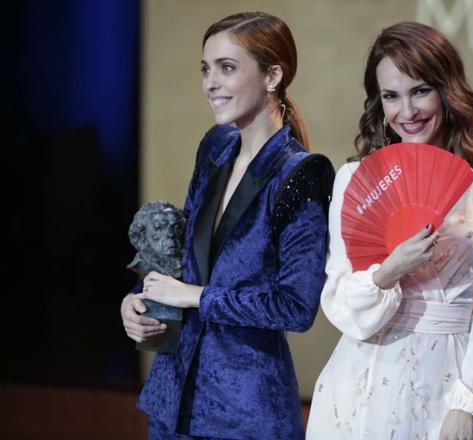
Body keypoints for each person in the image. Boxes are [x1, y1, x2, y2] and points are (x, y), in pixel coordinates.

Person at [120, 12, 334, 439]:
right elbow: (185, 257)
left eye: (227, 68)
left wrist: (195, 297)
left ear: (273, 75)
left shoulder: (301, 173)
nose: (210, 83)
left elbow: (295, 306)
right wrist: (138, 300)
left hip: (245, 413)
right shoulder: (216, 146)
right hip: (173, 400)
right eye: (206, 69)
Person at [307, 22, 473, 440]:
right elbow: (336, 298)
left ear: (448, 90)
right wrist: (388, 272)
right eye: (391, 96)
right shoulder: (355, 178)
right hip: (364, 382)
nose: (407, 112)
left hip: (453, 379)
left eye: (420, 90)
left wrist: (470, 404)